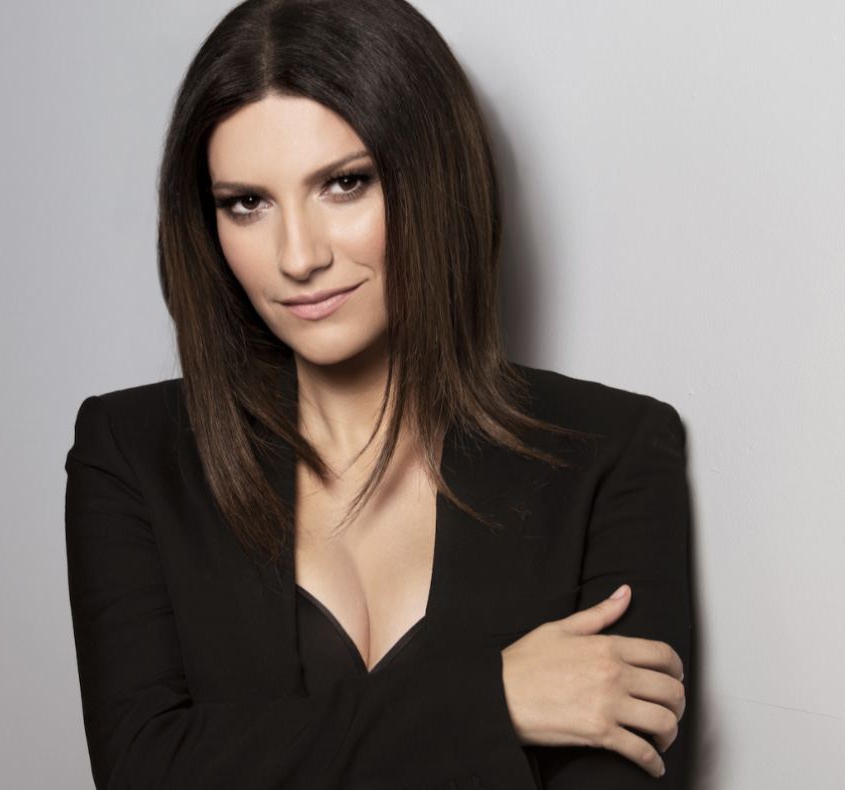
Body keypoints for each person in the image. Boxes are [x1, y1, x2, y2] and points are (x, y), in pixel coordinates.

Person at [64, 0, 692, 787]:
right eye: (246, 203)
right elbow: (143, 769)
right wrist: (490, 703)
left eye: (344, 184)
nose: (297, 257)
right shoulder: (132, 453)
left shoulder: (611, 452)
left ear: (431, 176)